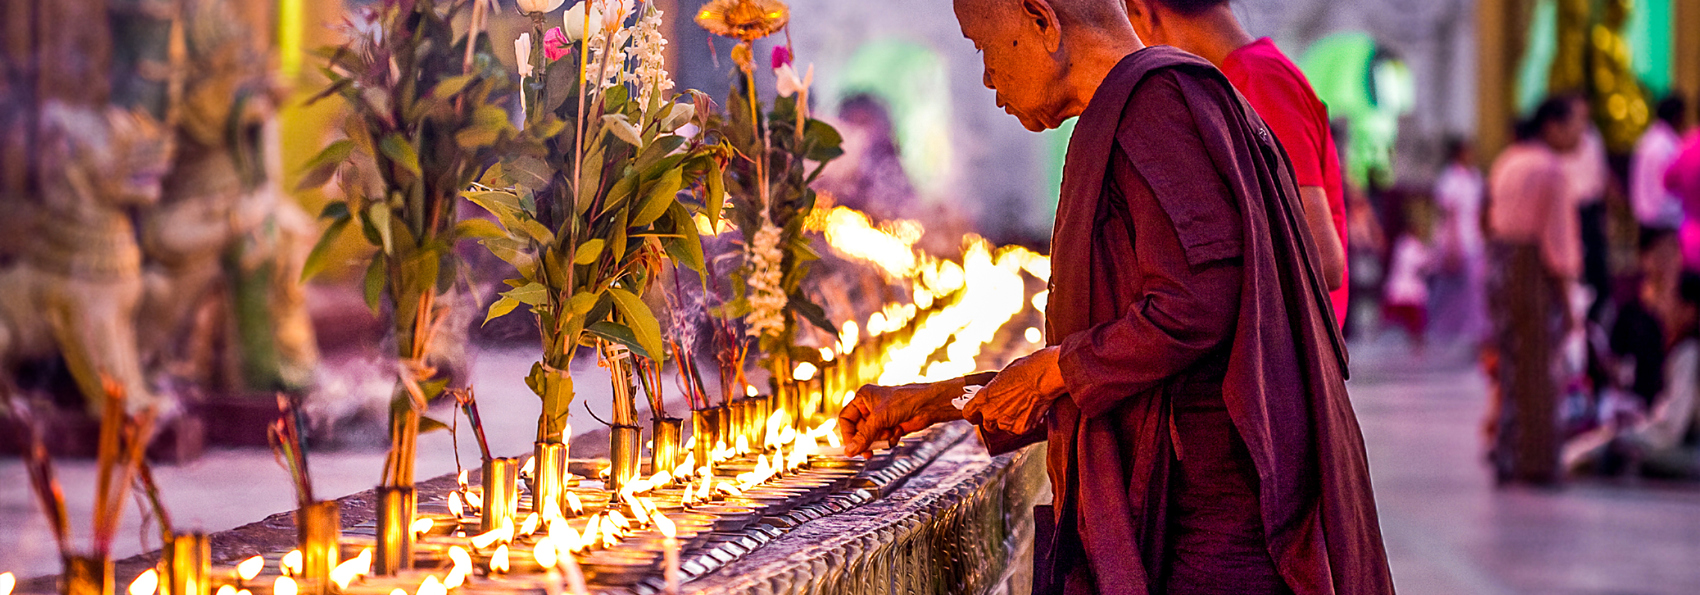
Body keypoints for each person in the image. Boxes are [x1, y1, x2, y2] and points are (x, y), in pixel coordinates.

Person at [836, 1, 1393, 593]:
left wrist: (1053, 371)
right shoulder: (1134, 110)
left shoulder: (1158, 104)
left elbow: (1199, 301)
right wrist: (938, 402)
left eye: (983, 46)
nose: (987, 76)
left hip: (1210, 540)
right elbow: (1118, 363)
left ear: (1042, 21)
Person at [1120, 0, 1350, 330]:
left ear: (1142, 11)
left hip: (1282, 348)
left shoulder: (1258, 80)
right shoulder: (1235, 79)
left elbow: (1322, 260)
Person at [1484, 94, 1590, 485]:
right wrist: (1568, 299)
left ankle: (1507, 453)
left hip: (1500, 267)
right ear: (1552, 126)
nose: (1582, 132)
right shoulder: (1551, 170)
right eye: (1577, 122)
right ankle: (1538, 461)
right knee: (1541, 368)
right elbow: (1558, 246)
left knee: (1512, 366)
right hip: (1532, 272)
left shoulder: (1508, 160)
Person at [1430, 137, 1487, 342]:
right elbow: (1449, 214)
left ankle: (1468, 333)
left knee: (1471, 291)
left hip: (1472, 239)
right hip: (1453, 241)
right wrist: (1453, 246)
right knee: (1447, 290)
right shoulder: (1450, 178)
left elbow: (1477, 212)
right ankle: (1441, 332)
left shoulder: (1474, 178)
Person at [1630, 95, 1689, 231]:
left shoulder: (1648, 139)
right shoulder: (1666, 146)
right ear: (1677, 116)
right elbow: (1671, 185)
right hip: (1662, 218)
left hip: (1645, 214)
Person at [1382, 199, 1435, 348]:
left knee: (1411, 325)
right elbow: (1420, 264)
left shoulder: (1405, 244)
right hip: (1406, 290)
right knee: (1409, 323)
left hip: (1405, 289)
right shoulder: (1409, 245)